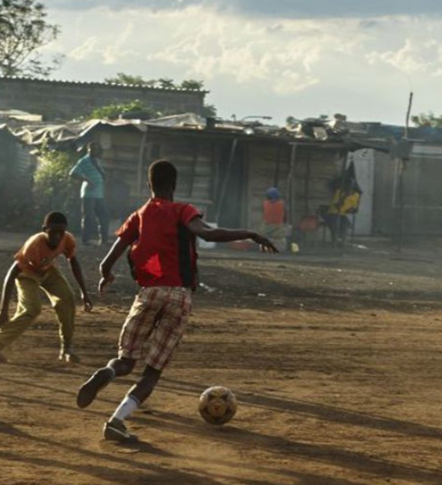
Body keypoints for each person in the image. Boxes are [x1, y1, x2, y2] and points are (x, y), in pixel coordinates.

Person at [76, 160, 277, 443]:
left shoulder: (140, 214)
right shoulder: (182, 210)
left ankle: (107, 373)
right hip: (178, 295)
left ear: (150, 185)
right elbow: (207, 233)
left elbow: (108, 259)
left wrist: (106, 276)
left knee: (125, 361)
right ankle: (117, 420)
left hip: (148, 293)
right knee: (153, 370)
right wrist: (250, 234)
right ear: (174, 185)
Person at [0, 212, 93, 364]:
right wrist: (3, 310)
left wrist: (84, 293)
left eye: (61, 232)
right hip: (28, 274)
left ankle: (67, 349)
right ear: (45, 229)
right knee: (31, 309)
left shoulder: (68, 239)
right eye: (53, 232)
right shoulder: (34, 245)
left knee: (67, 299)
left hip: (48, 271)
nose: (57, 236)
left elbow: (73, 262)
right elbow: (11, 274)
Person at [69, 142, 108, 245]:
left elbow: (102, 175)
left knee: (103, 215)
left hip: (99, 193)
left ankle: (103, 239)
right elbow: (73, 173)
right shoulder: (84, 161)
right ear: (88, 149)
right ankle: (86, 240)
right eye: (92, 149)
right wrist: (86, 180)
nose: (94, 151)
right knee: (88, 217)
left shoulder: (98, 161)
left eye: (96, 149)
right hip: (89, 193)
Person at [261, 186, 288, 252]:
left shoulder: (265, 203)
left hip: (267, 227)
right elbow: (285, 216)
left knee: (262, 234)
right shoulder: (282, 204)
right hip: (278, 227)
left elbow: (263, 215)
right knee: (281, 239)